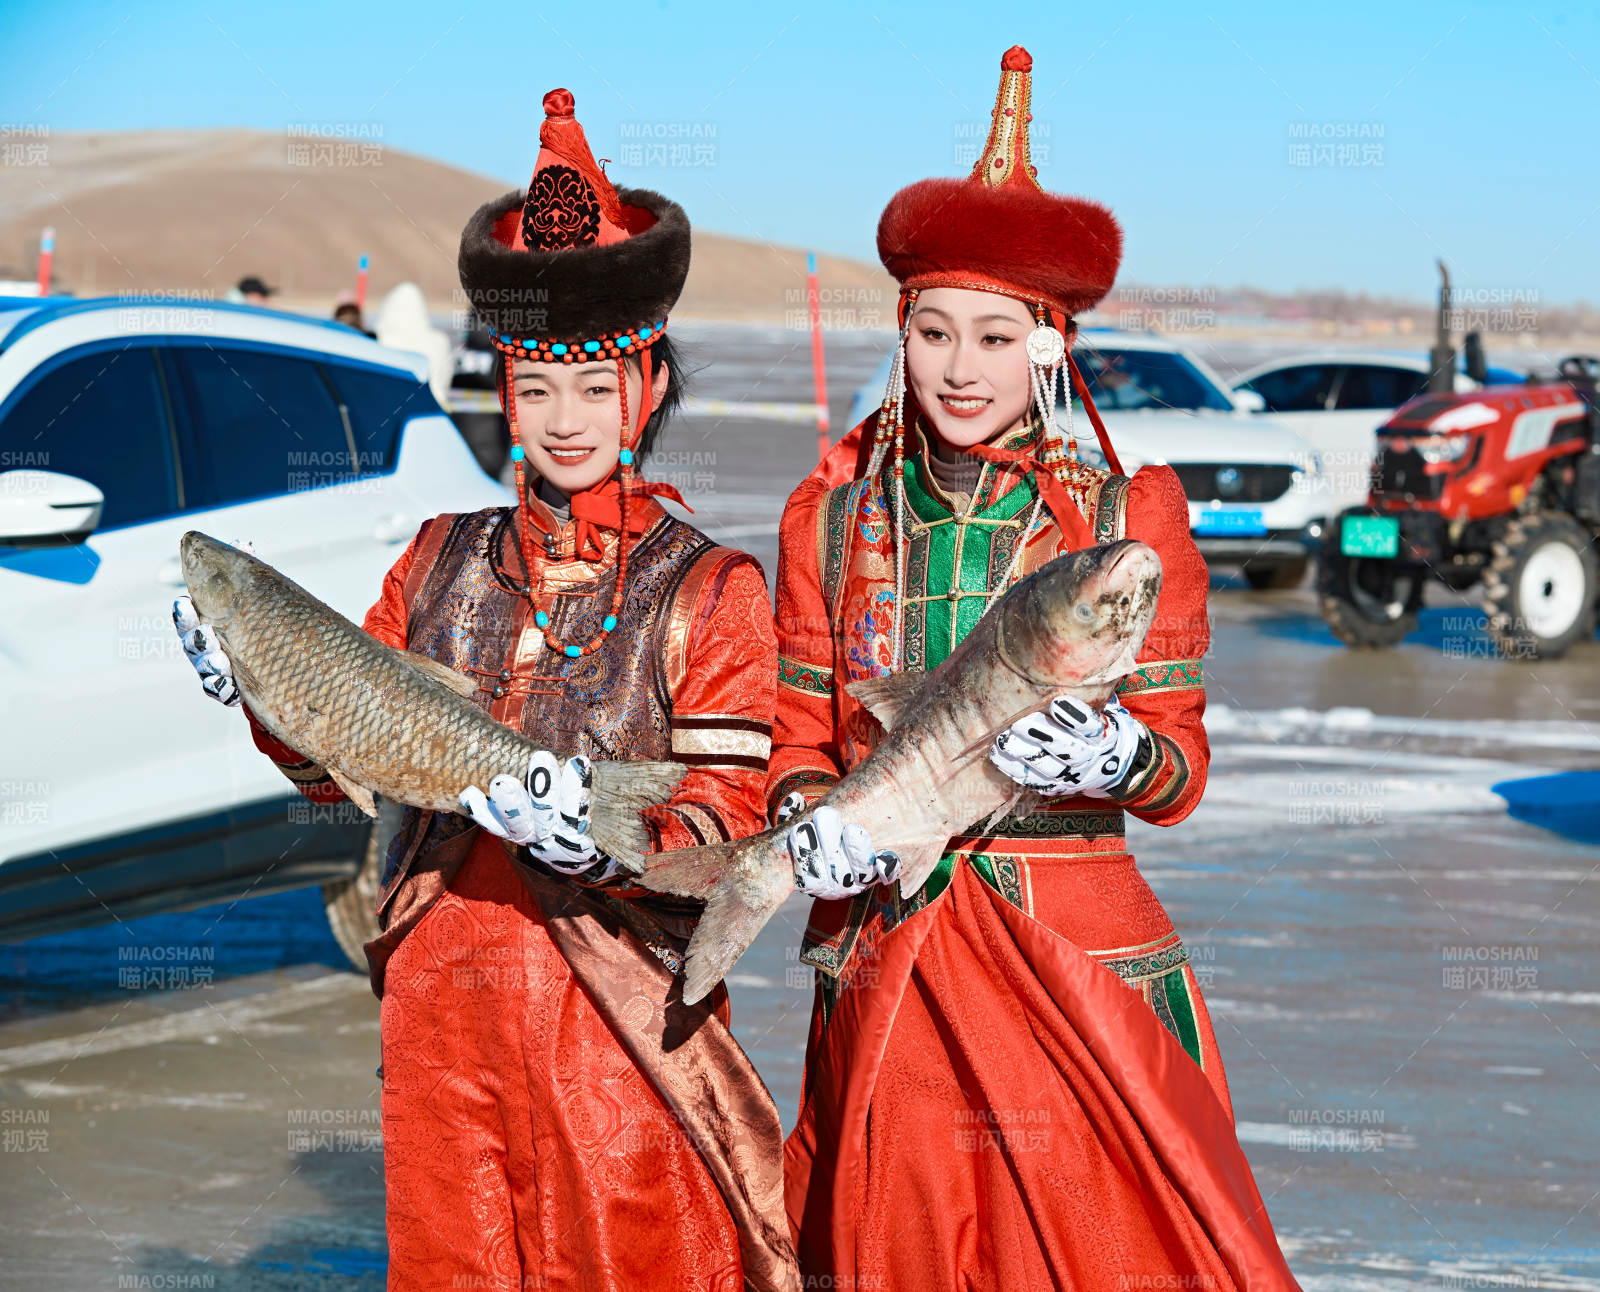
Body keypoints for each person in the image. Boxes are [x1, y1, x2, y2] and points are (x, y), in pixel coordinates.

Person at [175, 86, 797, 1292]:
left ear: (650, 387)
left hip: (614, 1018)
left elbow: (726, 822)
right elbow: (336, 755)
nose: (568, 420)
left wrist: (603, 840)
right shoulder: (437, 553)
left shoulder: (711, 586)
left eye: (597, 385)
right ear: (501, 394)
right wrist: (256, 684)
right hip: (440, 1000)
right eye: (536, 386)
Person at [769, 46, 1301, 1291]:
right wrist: (806, 823)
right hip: (889, 943)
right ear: (899, 337)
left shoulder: (1125, 520)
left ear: (1048, 347)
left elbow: (1179, 773)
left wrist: (1122, 754)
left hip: (1073, 960)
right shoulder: (832, 519)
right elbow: (801, 735)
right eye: (934, 332)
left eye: (996, 337)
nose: (961, 369)